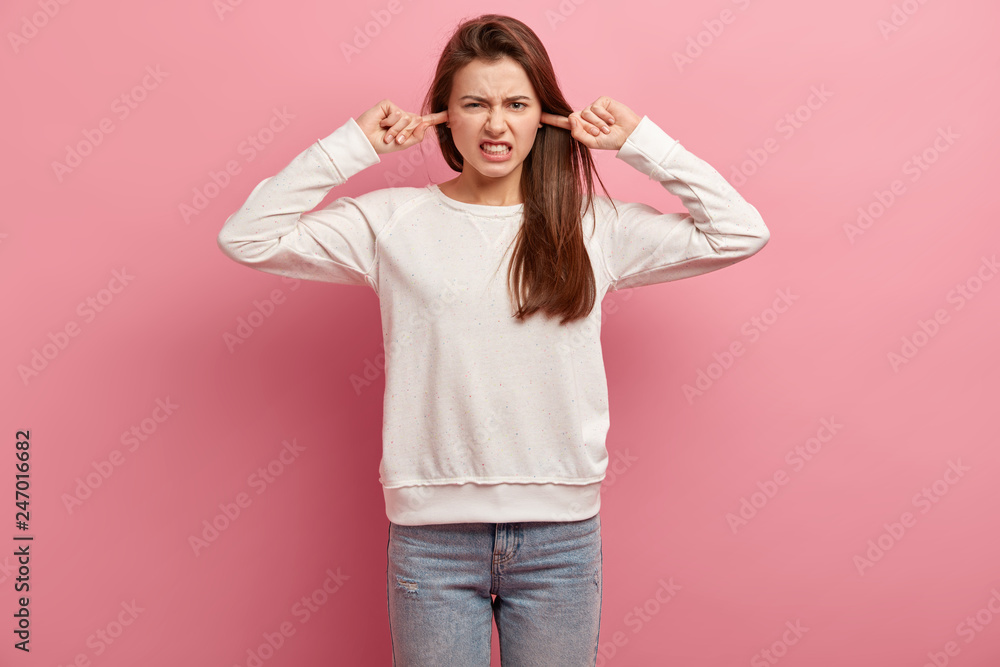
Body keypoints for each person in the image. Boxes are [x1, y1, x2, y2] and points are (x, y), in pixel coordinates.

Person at [217, 13, 770, 666]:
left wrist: (640, 142)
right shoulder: (393, 222)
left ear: (546, 116)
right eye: (474, 104)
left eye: (516, 103)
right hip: (431, 540)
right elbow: (247, 236)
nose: (496, 124)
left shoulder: (591, 227)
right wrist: (353, 145)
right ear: (444, 117)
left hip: (560, 541)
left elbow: (738, 231)